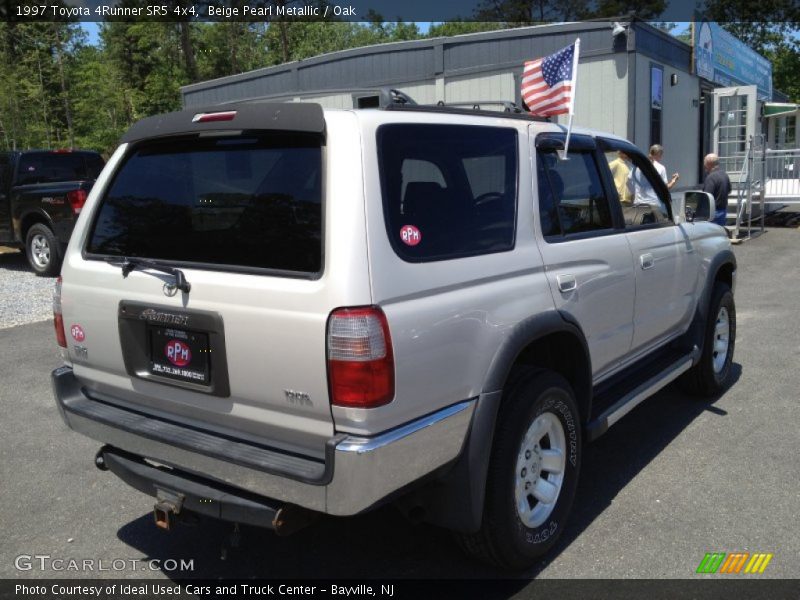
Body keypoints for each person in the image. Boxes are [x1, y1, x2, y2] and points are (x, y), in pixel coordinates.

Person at [702, 153, 731, 226]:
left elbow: (706, 196)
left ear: (709, 164)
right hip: (723, 211)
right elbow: (729, 190)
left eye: (705, 163)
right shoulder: (725, 175)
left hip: (713, 214)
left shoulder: (711, 178)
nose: (704, 165)